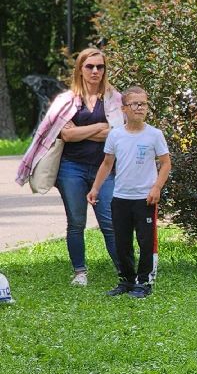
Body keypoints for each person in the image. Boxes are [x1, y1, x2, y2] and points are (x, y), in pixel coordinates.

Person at [14, 47, 122, 286]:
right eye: (90, 66)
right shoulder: (66, 101)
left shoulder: (114, 99)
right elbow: (66, 135)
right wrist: (99, 128)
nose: (95, 71)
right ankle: (80, 272)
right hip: (71, 168)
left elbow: (116, 133)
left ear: (105, 70)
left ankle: (124, 272)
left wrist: (82, 132)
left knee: (110, 222)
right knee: (76, 222)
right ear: (80, 69)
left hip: (104, 168)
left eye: (100, 67)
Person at [87, 86, 171, 298]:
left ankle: (144, 282)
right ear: (124, 108)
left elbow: (166, 163)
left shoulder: (154, 134)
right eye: (135, 104)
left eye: (143, 104)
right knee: (122, 241)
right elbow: (107, 164)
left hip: (145, 199)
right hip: (121, 198)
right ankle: (126, 279)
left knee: (145, 241)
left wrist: (156, 187)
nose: (140, 108)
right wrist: (95, 188)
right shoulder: (116, 135)